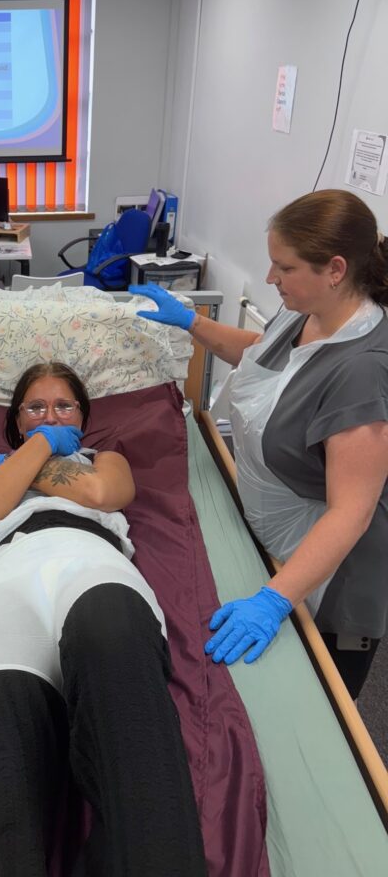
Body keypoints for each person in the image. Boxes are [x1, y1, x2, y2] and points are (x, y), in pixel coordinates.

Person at [0, 362, 206, 877]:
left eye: (64, 406)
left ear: (82, 415)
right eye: (36, 407)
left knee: (123, 677)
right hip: (6, 577)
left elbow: (100, 495)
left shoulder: (107, 459)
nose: (51, 414)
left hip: (90, 563)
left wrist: (22, 465)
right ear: (17, 420)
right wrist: (36, 449)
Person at [129, 188, 388, 698]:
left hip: (329, 576)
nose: (271, 278)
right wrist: (193, 322)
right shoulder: (306, 312)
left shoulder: (363, 369)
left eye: (283, 267)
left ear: (334, 269)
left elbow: (351, 513)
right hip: (275, 532)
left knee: (309, 701)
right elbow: (264, 360)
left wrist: (272, 601)